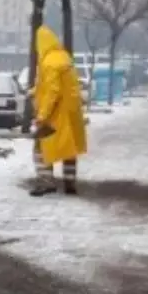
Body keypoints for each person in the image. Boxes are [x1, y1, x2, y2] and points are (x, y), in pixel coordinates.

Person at [29, 26, 87, 196]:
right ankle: (70, 183)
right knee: (69, 150)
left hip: (55, 115)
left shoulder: (48, 63)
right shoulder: (65, 58)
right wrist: (34, 91)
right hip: (70, 113)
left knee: (40, 147)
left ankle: (46, 182)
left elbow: (53, 91)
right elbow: (61, 86)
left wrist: (42, 116)